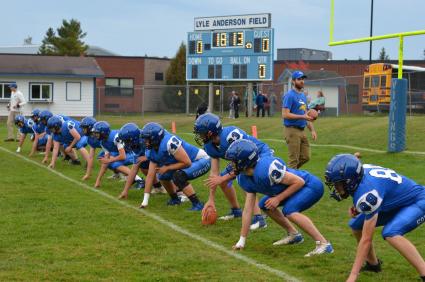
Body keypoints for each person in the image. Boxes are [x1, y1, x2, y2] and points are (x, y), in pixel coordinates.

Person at [325, 154, 425, 282]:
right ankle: (373, 264)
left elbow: (366, 239)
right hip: (397, 202)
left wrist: (353, 275)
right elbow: (380, 189)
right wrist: (358, 206)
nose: (336, 188)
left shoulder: (367, 193)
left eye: (338, 184)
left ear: (350, 181)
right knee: (356, 225)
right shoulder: (361, 172)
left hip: (418, 201)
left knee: (391, 233)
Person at [226, 139, 333, 256]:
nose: (231, 164)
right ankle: (294, 235)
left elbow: (299, 182)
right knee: (264, 205)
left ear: (244, 161)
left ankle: (324, 244)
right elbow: (247, 210)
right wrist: (242, 240)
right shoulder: (244, 178)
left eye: (233, 161)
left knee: (289, 211)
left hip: (310, 185)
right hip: (293, 189)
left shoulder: (266, 169)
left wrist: (278, 198)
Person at [194, 113, 267, 229]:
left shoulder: (231, 136)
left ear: (210, 132)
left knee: (244, 180)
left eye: (201, 133)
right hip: (240, 161)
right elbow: (214, 174)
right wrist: (211, 199)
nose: (200, 136)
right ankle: (236, 211)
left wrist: (223, 178)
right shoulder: (209, 146)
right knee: (222, 180)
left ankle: (259, 218)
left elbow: (244, 163)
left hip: (257, 154)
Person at [140, 122, 209, 210]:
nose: (144, 142)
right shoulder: (151, 151)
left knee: (178, 176)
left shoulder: (169, 142)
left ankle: (197, 204)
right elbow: (150, 176)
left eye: (146, 139)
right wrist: (145, 201)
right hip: (186, 163)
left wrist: (167, 168)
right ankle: (175, 199)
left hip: (201, 160)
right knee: (162, 176)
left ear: (154, 138)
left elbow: (187, 162)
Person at [117, 123, 166, 199]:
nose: (125, 144)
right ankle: (158, 187)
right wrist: (125, 190)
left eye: (126, 141)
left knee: (165, 172)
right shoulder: (136, 144)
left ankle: (179, 192)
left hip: (168, 154)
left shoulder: (146, 140)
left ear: (133, 138)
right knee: (143, 165)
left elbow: (158, 153)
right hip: (155, 154)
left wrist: (147, 157)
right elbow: (134, 169)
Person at [91, 121, 144, 189]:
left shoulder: (115, 137)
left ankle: (139, 180)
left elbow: (123, 156)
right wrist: (98, 180)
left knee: (114, 163)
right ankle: (131, 178)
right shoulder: (102, 141)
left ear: (103, 132)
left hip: (133, 152)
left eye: (96, 133)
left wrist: (110, 160)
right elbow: (106, 161)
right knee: (110, 162)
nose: (95, 135)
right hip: (127, 152)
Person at [282, 71, 317, 169]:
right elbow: (285, 114)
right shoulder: (289, 95)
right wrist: (303, 117)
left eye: (303, 79)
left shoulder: (303, 96)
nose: (302, 81)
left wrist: (312, 130)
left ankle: (288, 173)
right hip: (292, 130)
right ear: (293, 81)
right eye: (299, 79)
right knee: (294, 160)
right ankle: (290, 180)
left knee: (306, 157)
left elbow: (306, 114)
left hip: (302, 130)